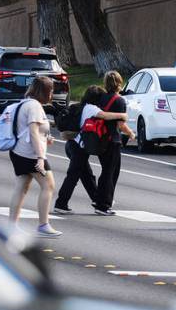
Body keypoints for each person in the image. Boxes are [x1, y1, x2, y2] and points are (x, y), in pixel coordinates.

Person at [53, 85, 127, 214]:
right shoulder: (91, 108)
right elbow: (104, 115)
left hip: (72, 145)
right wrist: (122, 115)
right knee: (73, 176)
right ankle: (61, 204)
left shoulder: (80, 107)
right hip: (79, 147)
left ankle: (97, 201)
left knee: (86, 175)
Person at [8, 77, 60, 238]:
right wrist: (40, 158)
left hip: (19, 151)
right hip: (30, 154)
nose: (52, 94)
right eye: (51, 91)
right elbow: (32, 132)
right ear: (44, 92)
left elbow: (34, 131)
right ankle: (43, 224)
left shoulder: (25, 103)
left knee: (22, 187)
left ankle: (12, 227)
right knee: (49, 185)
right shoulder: (35, 107)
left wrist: (46, 138)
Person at [93, 71, 133, 216]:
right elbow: (121, 125)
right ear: (119, 82)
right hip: (112, 140)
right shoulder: (120, 101)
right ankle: (104, 205)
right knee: (111, 173)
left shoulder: (102, 98)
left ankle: (98, 199)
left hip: (100, 139)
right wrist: (131, 133)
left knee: (105, 171)